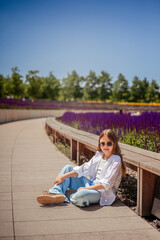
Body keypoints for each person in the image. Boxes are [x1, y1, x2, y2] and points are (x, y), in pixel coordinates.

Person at [37, 129, 126, 207]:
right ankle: (55, 192)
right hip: (90, 183)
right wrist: (62, 177)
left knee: (82, 195)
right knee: (68, 168)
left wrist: (86, 189)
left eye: (109, 143)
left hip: (101, 192)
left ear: (114, 144)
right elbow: (83, 169)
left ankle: (66, 196)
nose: (105, 146)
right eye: (102, 143)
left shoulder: (116, 160)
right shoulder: (99, 155)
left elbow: (106, 184)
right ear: (99, 144)